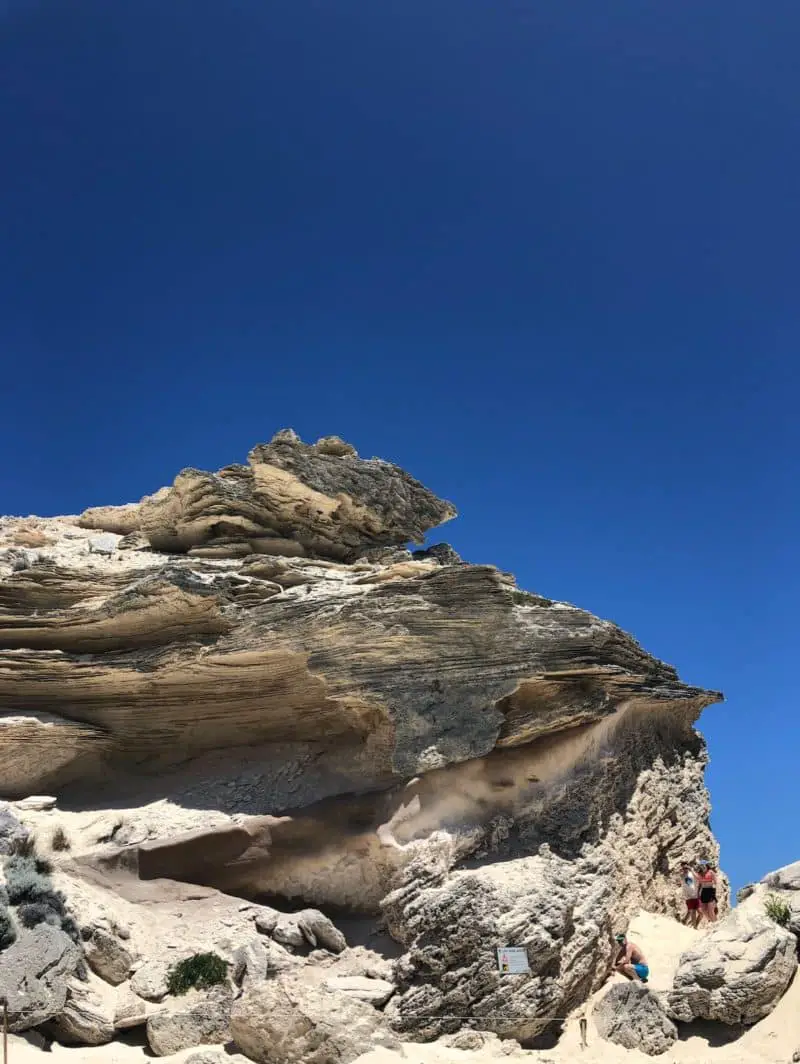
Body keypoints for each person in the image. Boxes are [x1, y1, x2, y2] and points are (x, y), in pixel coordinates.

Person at [680, 861, 701, 928]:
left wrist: (692, 870)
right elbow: (680, 878)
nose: (685, 869)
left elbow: (698, 878)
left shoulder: (692, 873)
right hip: (688, 897)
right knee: (693, 912)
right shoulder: (681, 875)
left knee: (701, 913)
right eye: (684, 868)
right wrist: (682, 870)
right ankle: (694, 928)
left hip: (696, 896)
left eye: (686, 867)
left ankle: (691, 923)